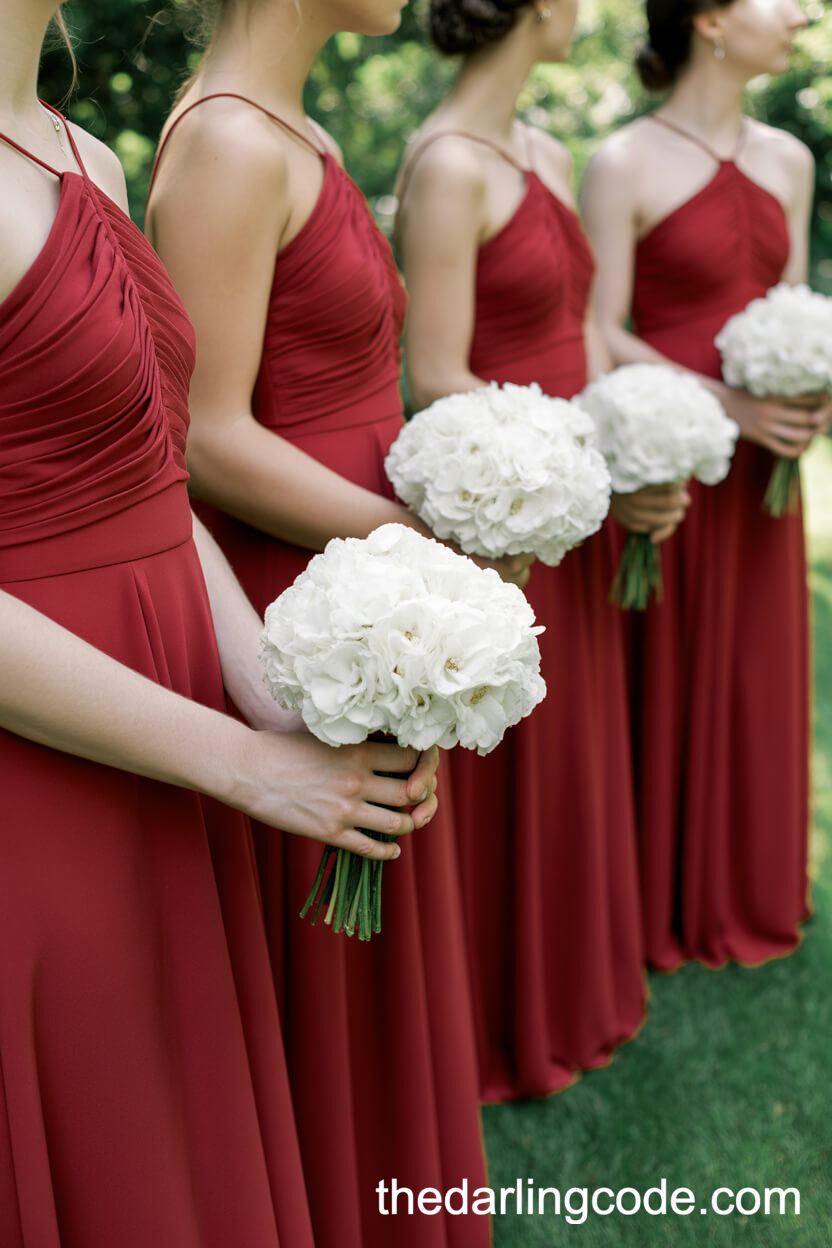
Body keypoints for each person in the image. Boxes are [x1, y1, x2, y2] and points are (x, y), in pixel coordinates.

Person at [0, 3, 438, 1244]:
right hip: (40, 765)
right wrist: (241, 762)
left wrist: (279, 690)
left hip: (169, 718)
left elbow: (152, 476)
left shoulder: (84, 155)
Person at [146, 1, 492, 1244]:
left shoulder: (306, 136)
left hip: (360, 552)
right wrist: (411, 541)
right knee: (329, 920)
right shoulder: (230, 144)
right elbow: (200, 438)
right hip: (299, 584)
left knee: (381, 901)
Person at [393, 0, 663, 1102]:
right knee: (522, 768)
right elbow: (437, 369)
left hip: (571, 491)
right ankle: (500, 1016)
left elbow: (588, 325)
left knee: (579, 751)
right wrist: (548, 456)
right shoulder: (446, 165)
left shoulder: (543, 148)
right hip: (511, 500)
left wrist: (629, 437)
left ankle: (575, 985)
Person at [582, 0, 827, 971]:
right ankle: (652, 900)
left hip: (767, 463)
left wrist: (805, 394)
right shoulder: (621, 162)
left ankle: (748, 885)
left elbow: (792, 310)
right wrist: (721, 405)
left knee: (757, 668)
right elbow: (599, 329)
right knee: (664, 665)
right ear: (712, 18)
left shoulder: (789, 162)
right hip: (669, 451)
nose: (804, 11)